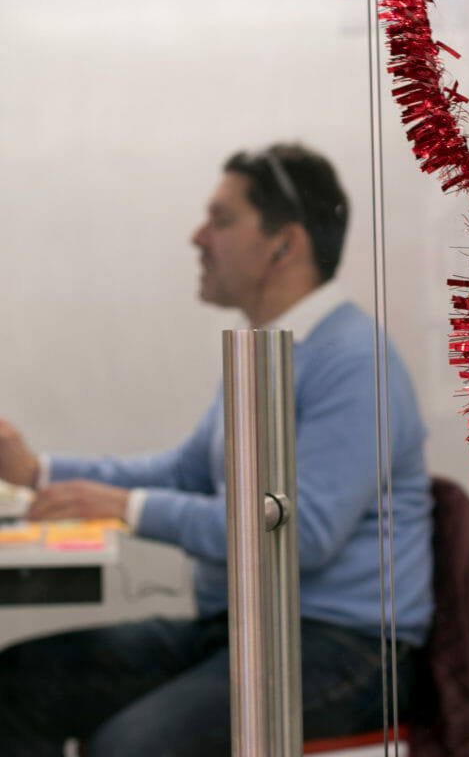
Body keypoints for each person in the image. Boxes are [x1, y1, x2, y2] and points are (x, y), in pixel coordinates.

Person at [0, 143, 434, 756]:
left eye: (221, 220)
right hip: (243, 633)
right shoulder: (265, 352)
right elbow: (186, 473)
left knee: (132, 746)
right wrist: (39, 472)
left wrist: (123, 506)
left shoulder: (353, 362)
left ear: (285, 244)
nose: (197, 237)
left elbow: (299, 532)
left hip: (345, 649)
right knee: (20, 682)